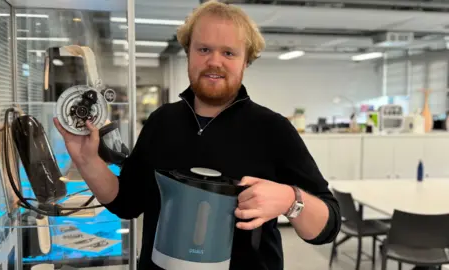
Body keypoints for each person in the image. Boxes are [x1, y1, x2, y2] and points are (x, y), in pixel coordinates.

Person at [54, 1, 341, 269]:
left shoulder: (273, 129)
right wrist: (87, 161)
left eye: (229, 53)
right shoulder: (162, 121)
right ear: (188, 53)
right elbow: (126, 202)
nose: (214, 61)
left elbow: (328, 227)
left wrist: (291, 200)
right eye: (204, 49)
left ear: (245, 62)